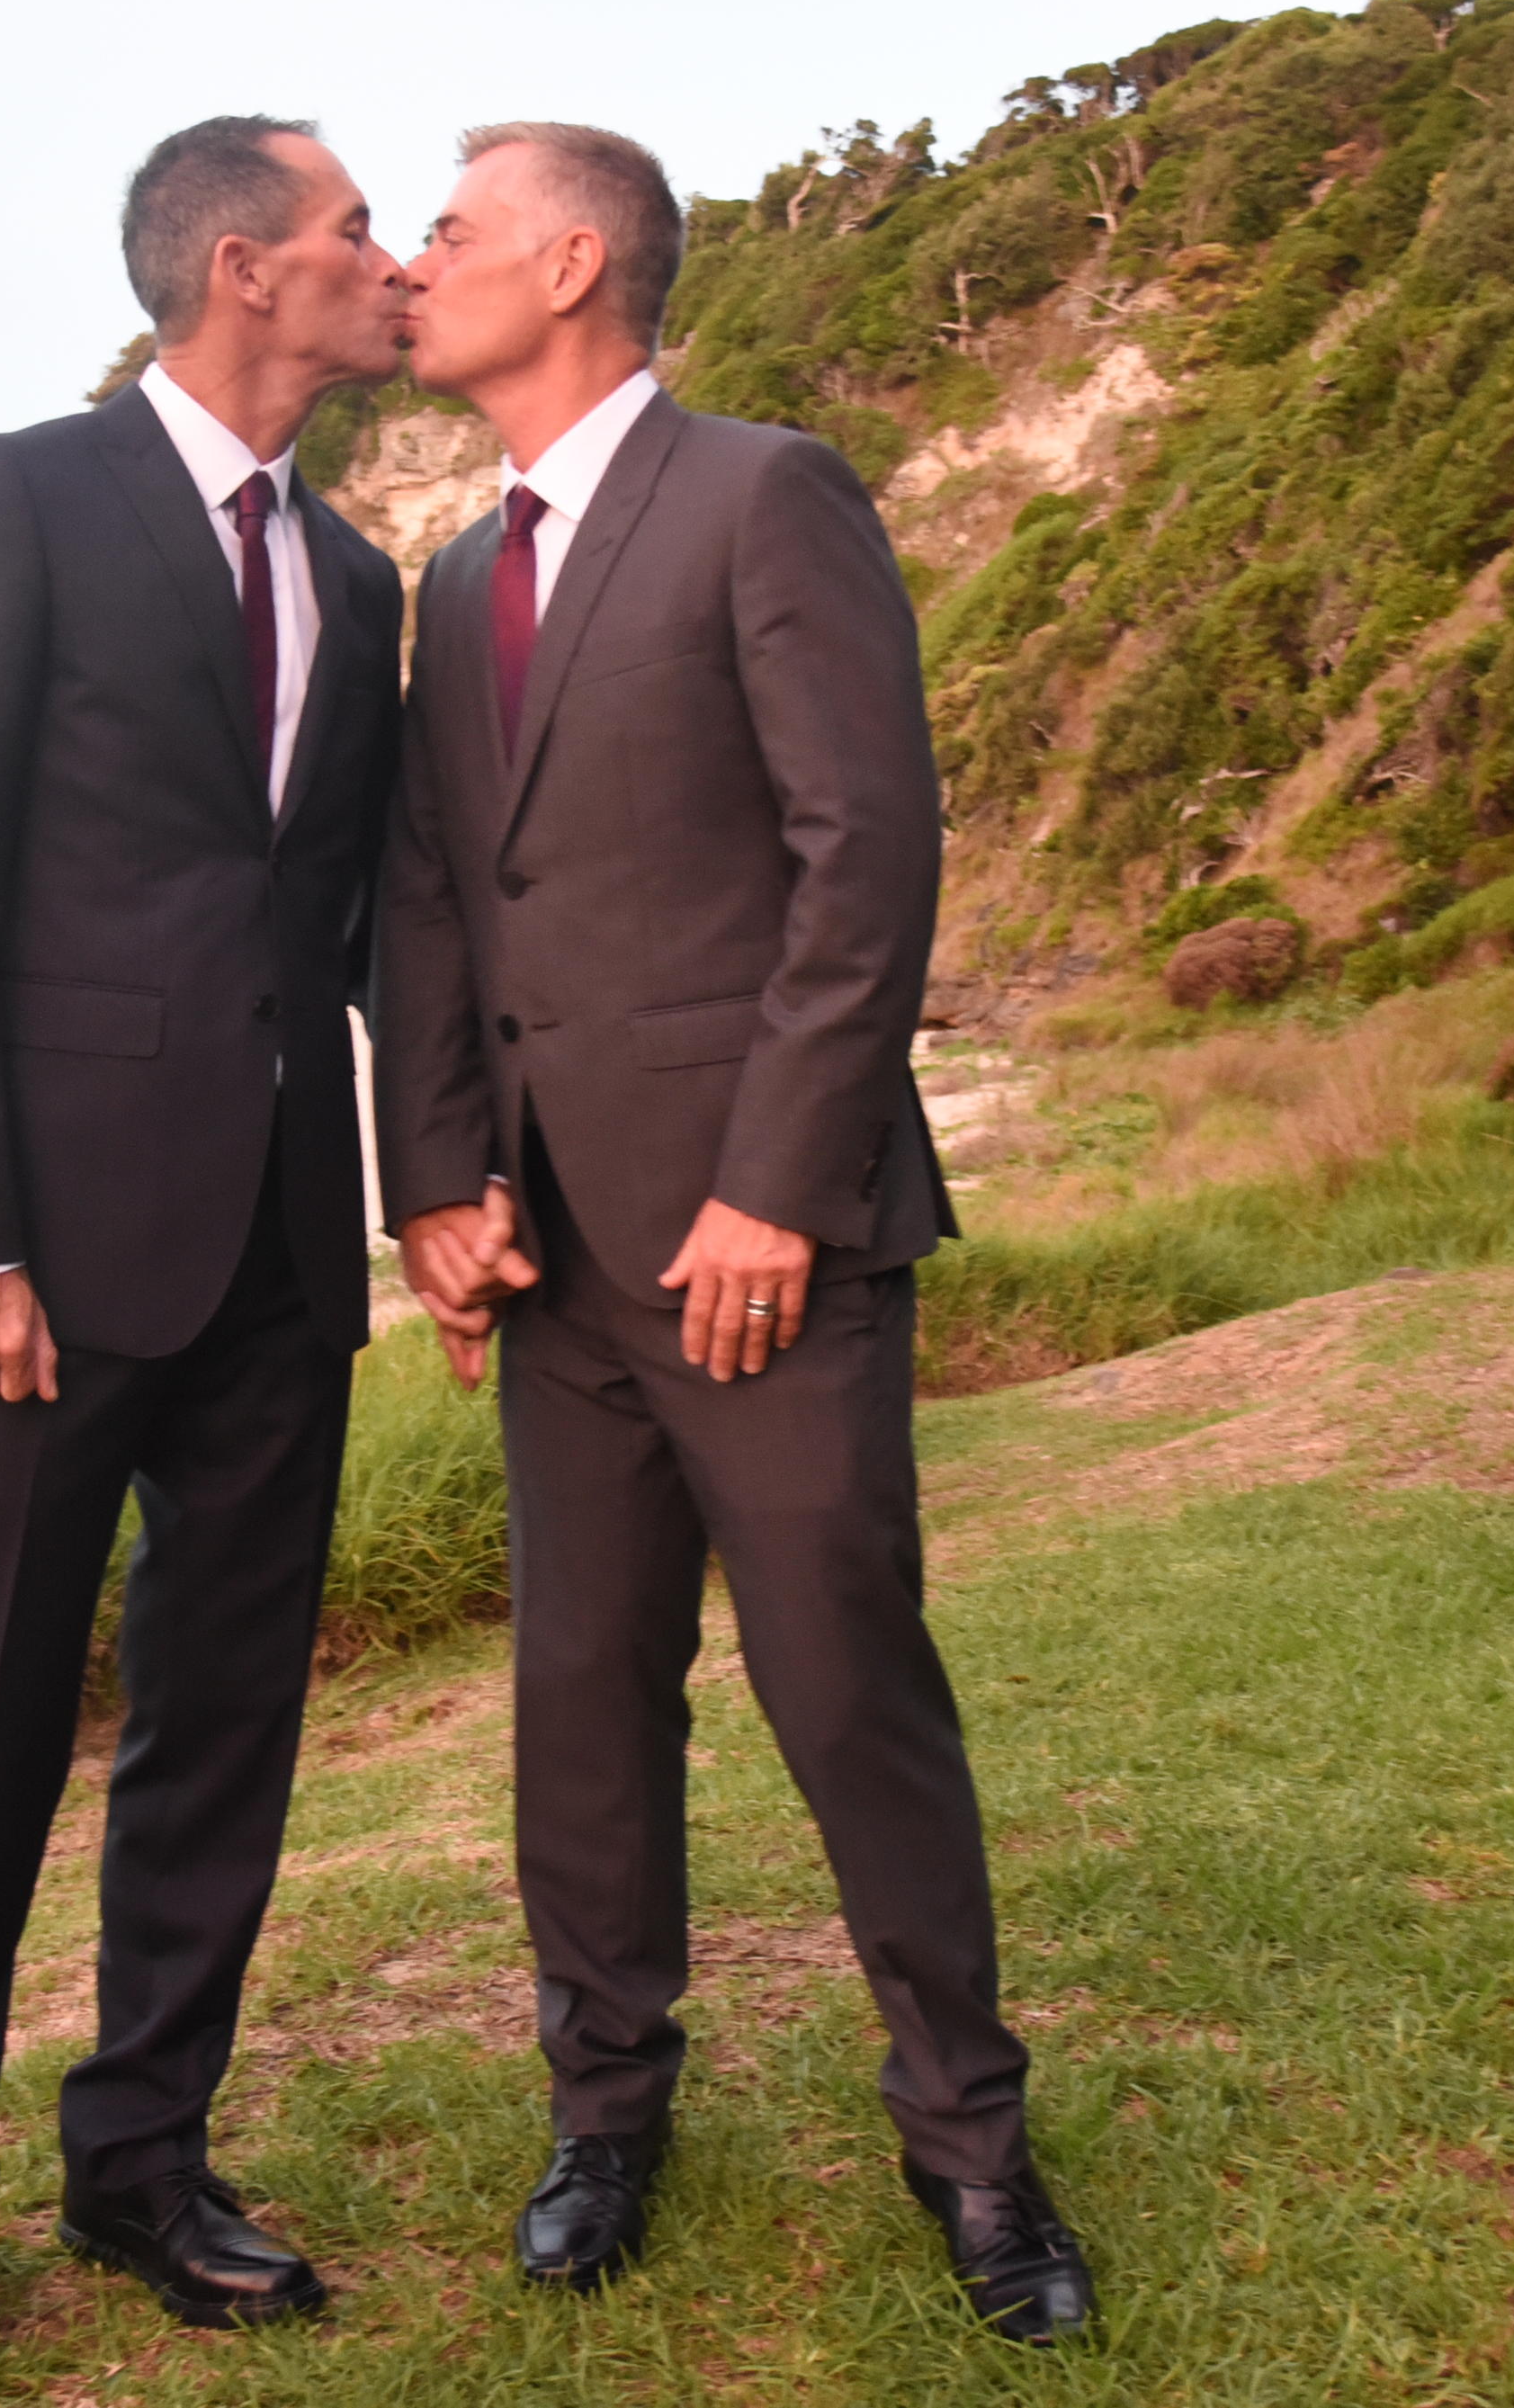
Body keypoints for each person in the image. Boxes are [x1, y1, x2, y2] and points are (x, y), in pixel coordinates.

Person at [372, 121, 1096, 2344]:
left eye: (458, 228)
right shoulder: (444, 575)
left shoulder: (762, 491)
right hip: (549, 1256)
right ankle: (606, 2113)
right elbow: (433, 902)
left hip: (753, 1237)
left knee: (842, 1680)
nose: (417, 262)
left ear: (574, 259)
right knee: (582, 1700)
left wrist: (775, 1179)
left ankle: (969, 2139)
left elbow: (860, 854)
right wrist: (436, 1178)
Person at [0, 117, 410, 2408]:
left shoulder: (353, 582)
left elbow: (347, 927)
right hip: (31, 1261)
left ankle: (145, 2157)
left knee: (224, 1730)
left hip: (276, 1247)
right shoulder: (18, 495)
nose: (391, 264)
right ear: (242, 266)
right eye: (357, 230)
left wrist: (429, 1182)